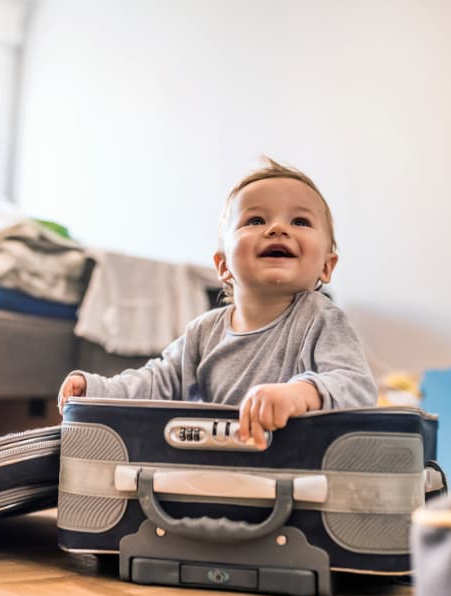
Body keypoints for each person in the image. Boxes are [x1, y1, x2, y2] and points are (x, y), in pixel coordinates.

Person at [58, 157, 377, 449]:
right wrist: (97, 390)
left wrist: (301, 393)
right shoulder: (203, 331)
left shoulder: (322, 319)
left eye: (300, 222)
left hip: (297, 469)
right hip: (215, 465)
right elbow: (156, 382)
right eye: (255, 220)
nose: (277, 228)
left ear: (327, 265)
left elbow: (357, 387)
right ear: (223, 266)